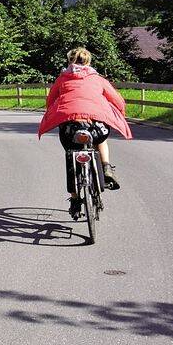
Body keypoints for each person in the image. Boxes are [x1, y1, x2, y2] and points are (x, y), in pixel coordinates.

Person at [38, 47, 132, 219]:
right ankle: (106, 167)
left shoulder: (62, 79)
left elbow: (50, 101)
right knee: (101, 139)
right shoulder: (98, 79)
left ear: (70, 61)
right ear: (88, 62)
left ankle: (75, 201)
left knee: (70, 154)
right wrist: (120, 113)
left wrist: (54, 112)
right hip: (95, 126)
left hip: (70, 127)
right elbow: (117, 100)